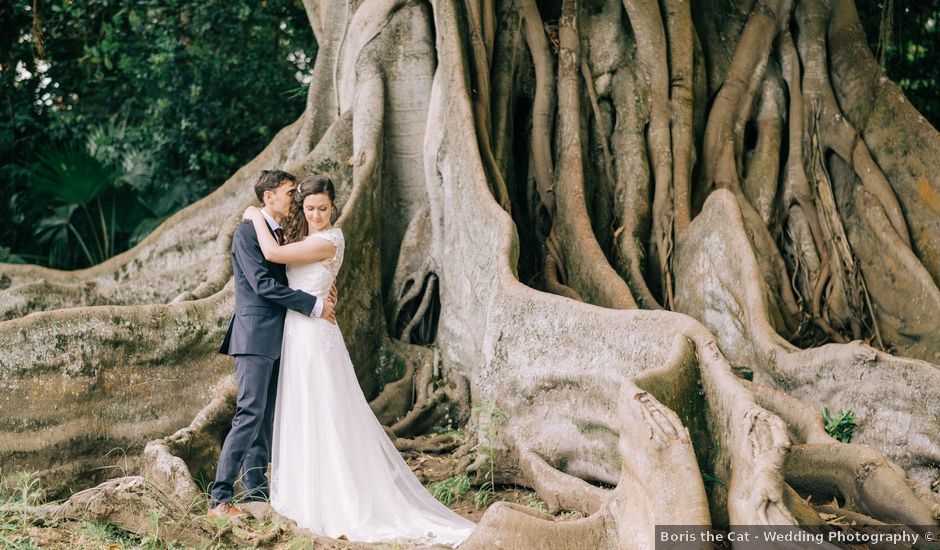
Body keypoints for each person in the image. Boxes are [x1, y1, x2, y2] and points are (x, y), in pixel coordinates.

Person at [241, 174, 475, 547]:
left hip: (316, 337)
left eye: (322, 208)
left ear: (333, 207)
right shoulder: (303, 238)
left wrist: (254, 214)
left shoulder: (331, 240)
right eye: (309, 208)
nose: (316, 214)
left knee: (326, 411)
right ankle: (300, 496)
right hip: (296, 333)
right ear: (302, 207)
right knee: (300, 410)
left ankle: (337, 499)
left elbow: (273, 255)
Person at [209, 170, 337, 520]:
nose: (294, 198)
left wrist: (321, 289)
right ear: (268, 197)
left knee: (265, 418)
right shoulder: (249, 232)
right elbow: (264, 285)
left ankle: (256, 493)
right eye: (288, 192)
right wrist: (313, 304)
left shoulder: (279, 233)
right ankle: (219, 498)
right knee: (249, 413)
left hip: (282, 336)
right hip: (254, 336)